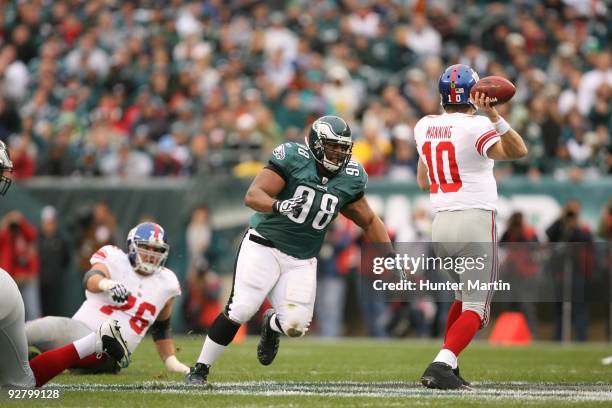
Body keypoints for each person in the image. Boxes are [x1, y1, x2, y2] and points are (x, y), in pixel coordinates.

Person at [186, 115, 395, 385]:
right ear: (317, 144)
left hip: (302, 259)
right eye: (333, 146)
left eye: (344, 148)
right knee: (241, 308)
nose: (339, 153)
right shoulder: (294, 158)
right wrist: (278, 206)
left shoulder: (351, 177)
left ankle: (271, 324)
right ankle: (200, 369)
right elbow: (253, 194)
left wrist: (390, 255)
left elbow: (368, 220)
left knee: (295, 326)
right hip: (264, 245)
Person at [414, 64, 528, 389]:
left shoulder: (424, 126)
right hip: (475, 221)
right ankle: (441, 363)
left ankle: (451, 366)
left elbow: (424, 180)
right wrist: (494, 115)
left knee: (462, 301)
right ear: (475, 95)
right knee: (477, 309)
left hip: (441, 224)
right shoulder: (476, 125)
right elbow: (518, 150)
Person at [0, 140, 129, 387]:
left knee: (18, 382)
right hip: (7, 287)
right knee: (18, 384)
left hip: (8, 288)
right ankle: (94, 342)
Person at [26, 222, 189, 375]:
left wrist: (171, 361)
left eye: (156, 250)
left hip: (110, 356)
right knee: (33, 332)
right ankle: (25, 358)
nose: (151, 255)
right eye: (146, 247)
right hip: (79, 333)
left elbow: (162, 328)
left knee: (48, 330)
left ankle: (25, 357)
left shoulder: (167, 282)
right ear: (132, 247)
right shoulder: (114, 258)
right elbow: (91, 278)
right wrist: (106, 284)